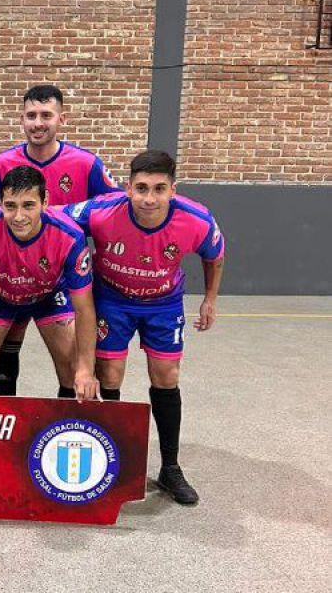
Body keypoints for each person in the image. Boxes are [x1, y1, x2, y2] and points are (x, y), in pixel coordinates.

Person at [64, 149, 225, 505]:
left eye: (158, 189)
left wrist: (210, 299)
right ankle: (113, 460)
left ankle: (170, 467)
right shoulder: (101, 210)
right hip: (112, 300)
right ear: (128, 187)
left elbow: (214, 256)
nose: (148, 198)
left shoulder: (196, 219)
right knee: (110, 375)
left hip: (164, 304)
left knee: (167, 375)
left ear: (173, 189)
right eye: (140, 188)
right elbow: (54, 218)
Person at [0, 84, 123, 397]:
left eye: (46, 115)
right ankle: (8, 420)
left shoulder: (85, 164)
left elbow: (116, 207)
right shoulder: (3, 164)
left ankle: (65, 430)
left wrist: (77, 219)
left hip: (57, 278)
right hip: (8, 277)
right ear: (21, 120)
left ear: (62, 119)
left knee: (73, 366)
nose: (38, 122)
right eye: (31, 115)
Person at [0, 166, 99, 401]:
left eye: (28, 205)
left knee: (74, 373)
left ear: (45, 202)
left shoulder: (70, 235)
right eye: (10, 206)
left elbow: (84, 307)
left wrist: (86, 368)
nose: (19, 216)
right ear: (0, 202)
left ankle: (59, 432)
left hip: (49, 296)